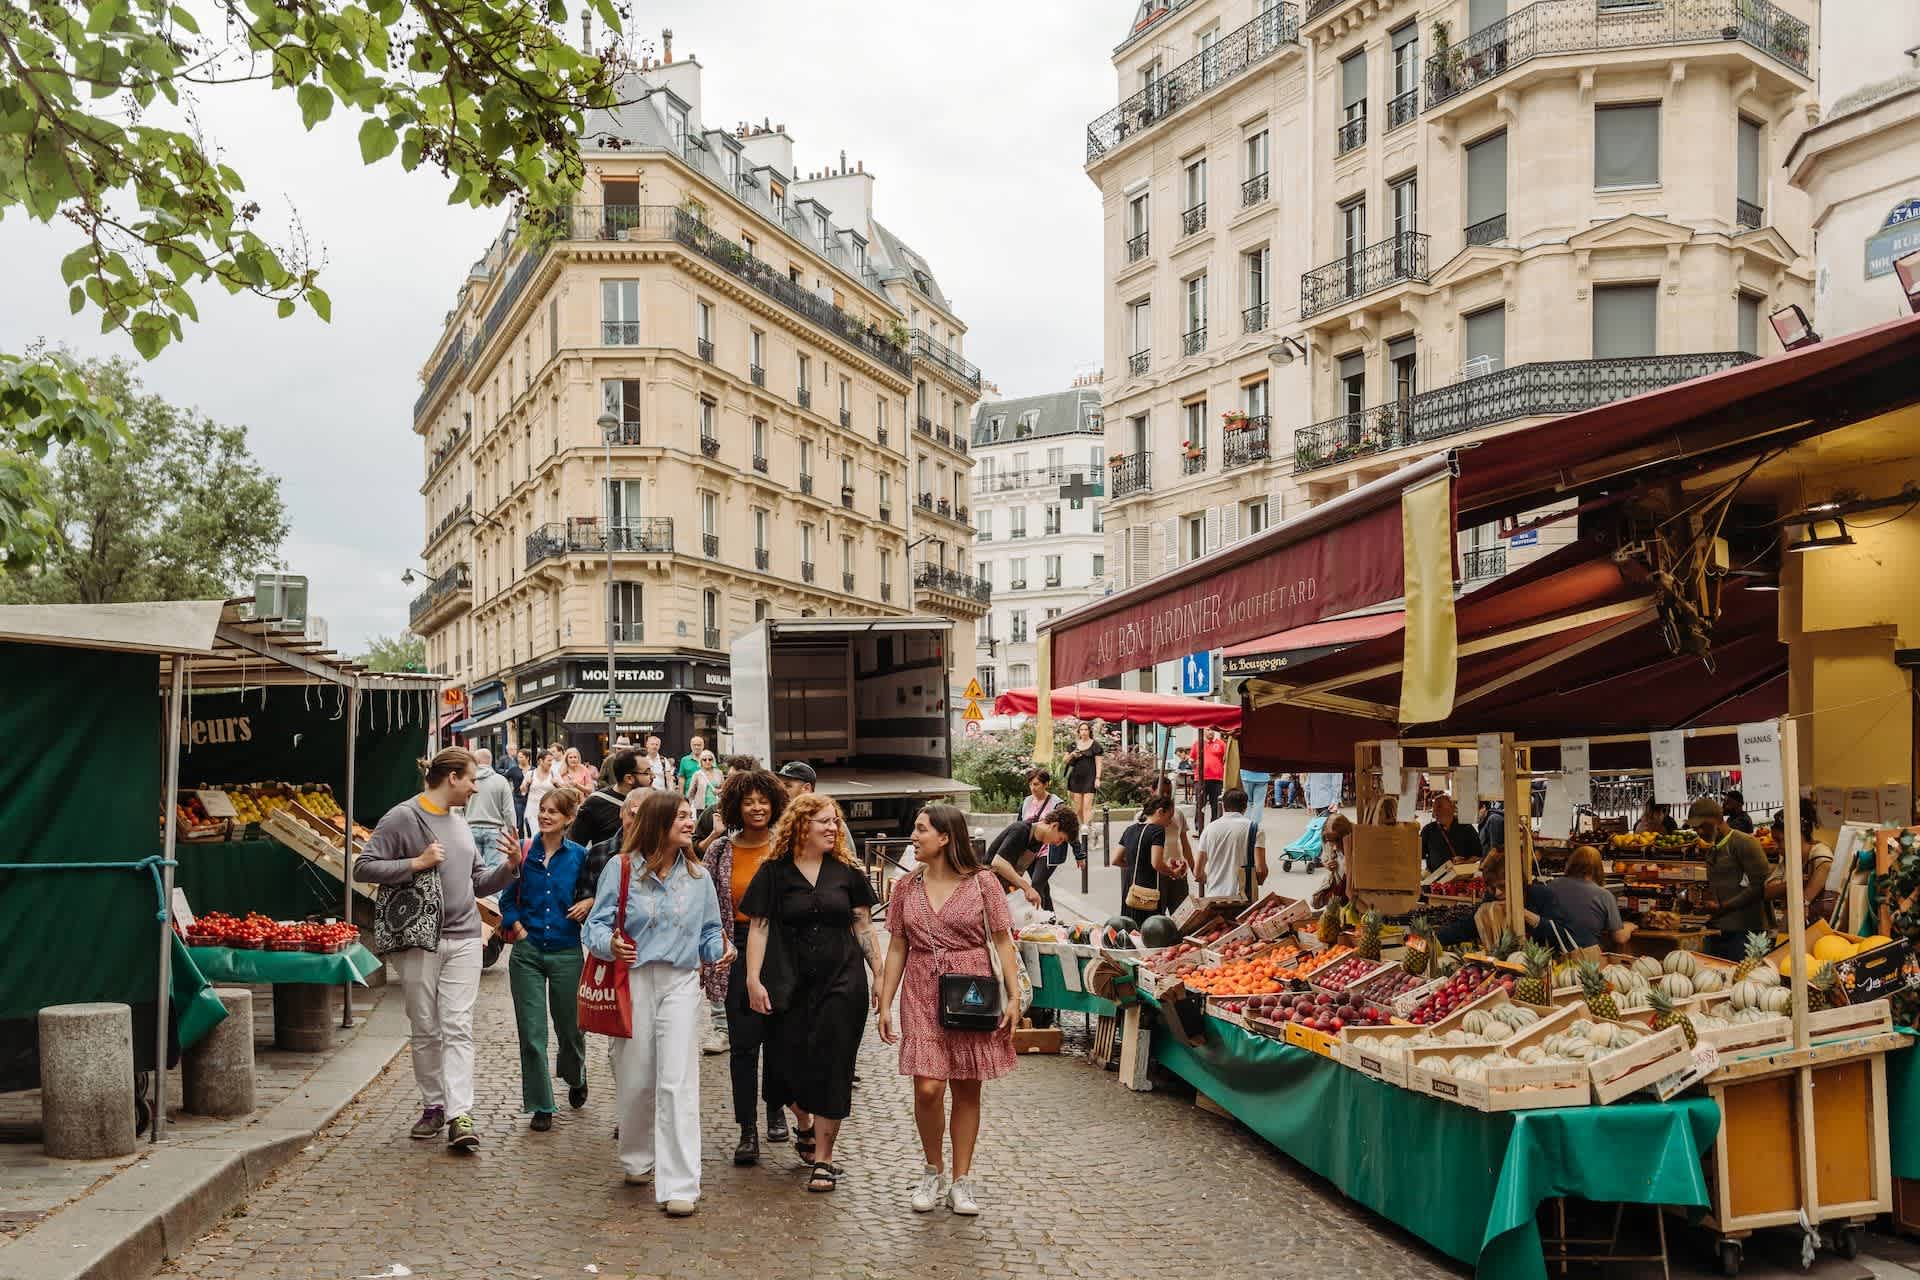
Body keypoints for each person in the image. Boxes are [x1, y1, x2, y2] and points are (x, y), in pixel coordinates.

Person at [356, 748, 523, 1153]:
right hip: (420, 939)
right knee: (425, 1026)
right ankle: (433, 1104)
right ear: (452, 778)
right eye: (471, 780)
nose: (475, 788)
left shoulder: (461, 822)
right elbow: (363, 867)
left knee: (457, 1026)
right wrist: (415, 863)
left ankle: (460, 1114)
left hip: (465, 937)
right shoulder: (402, 817)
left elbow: (477, 881)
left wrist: (510, 868)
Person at [583, 791, 731, 1216]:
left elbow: (710, 930)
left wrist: (720, 949)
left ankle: (681, 1183)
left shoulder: (699, 877)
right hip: (632, 980)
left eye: (690, 815)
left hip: (680, 981)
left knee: (677, 1079)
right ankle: (637, 1158)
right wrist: (611, 944)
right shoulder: (621, 868)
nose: (691, 822)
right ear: (658, 822)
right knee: (635, 1076)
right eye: (682, 816)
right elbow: (594, 927)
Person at [877, 804, 1020, 1216]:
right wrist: (885, 1003)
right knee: (928, 1088)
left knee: (967, 1086)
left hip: (971, 990)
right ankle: (932, 1170)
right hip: (921, 989)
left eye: (921, 829)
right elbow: (898, 947)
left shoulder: (983, 883)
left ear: (945, 837)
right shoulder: (906, 887)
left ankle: (961, 1180)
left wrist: (1014, 996)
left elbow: (1003, 941)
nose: (913, 836)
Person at [742, 793, 882, 1194]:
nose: (833, 828)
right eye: (824, 821)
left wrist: (880, 976)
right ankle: (802, 1121)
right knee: (785, 1065)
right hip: (788, 980)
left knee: (834, 1066)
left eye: (835, 821)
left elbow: (864, 926)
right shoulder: (773, 873)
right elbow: (759, 928)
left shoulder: (847, 872)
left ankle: (824, 1159)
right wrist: (753, 979)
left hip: (843, 981)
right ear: (801, 825)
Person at [703, 769, 790, 1163]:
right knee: (743, 1043)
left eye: (763, 801)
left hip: (781, 949)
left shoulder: (786, 846)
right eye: (748, 801)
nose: (756, 808)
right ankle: (747, 1129)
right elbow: (706, 905)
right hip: (735, 946)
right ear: (735, 807)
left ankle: (776, 1109)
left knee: (779, 1036)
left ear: (775, 804)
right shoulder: (720, 851)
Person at [499, 785, 590, 1130]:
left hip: (567, 952)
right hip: (528, 953)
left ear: (568, 818)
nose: (545, 816)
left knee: (571, 1030)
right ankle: (541, 1104)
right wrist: (518, 928)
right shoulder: (523, 851)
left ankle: (576, 1074)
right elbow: (506, 900)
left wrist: (590, 901)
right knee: (532, 1033)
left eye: (554, 811)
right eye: (543, 810)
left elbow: (597, 893)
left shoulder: (580, 856)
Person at [1691, 796, 1773, 961]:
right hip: (1718, 929)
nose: (1699, 832)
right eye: (1695, 828)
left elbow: (1759, 886)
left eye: (1702, 826)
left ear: (1716, 820)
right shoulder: (1713, 848)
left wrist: (1724, 906)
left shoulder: (1745, 843)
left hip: (1745, 933)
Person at [984, 808, 1077, 912]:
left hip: (1001, 893)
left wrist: (1027, 892)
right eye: (1060, 839)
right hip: (986, 889)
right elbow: (998, 863)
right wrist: (1027, 888)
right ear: (1054, 826)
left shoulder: (1039, 841)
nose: (1058, 844)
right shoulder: (1021, 830)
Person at [1543, 845, 1632, 953]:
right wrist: (1630, 926)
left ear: (1571, 863)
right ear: (1598, 868)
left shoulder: (1551, 886)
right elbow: (1620, 937)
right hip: (1586, 957)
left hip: (1552, 955)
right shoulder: (1604, 895)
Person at [1119, 794, 1182, 926]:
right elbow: (1156, 863)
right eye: (1169, 817)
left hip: (1130, 892)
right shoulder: (1157, 831)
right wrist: (1173, 873)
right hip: (1147, 895)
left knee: (1131, 930)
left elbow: (1116, 860)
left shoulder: (1130, 830)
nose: (1170, 822)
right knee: (1149, 930)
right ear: (1160, 812)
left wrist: (1136, 865)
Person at [1767, 811, 1838, 927]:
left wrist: (1803, 902)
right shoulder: (1788, 857)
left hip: (1820, 925)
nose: (1776, 846)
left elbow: (1825, 866)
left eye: (1779, 840)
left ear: (1797, 836)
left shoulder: (1819, 851)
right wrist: (1794, 882)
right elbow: (1768, 891)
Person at [1195, 787, 1266, 901]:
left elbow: (1198, 873)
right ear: (1245, 807)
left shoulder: (1209, 829)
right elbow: (1261, 870)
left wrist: (1212, 882)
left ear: (1223, 806)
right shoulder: (1254, 829)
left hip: (1214, 897)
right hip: (1243, 898)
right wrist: (1256, 882)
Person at [570, 748, 643, 852]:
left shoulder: (654, 801)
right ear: (629, 778)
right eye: (647, 772)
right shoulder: (596, 803)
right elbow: (574, 845)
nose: (653, 776)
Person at [464, 747, 517, 869]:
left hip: (471, 828)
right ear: (490, 761)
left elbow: (458, 806)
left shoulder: (468, 781)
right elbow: (508, 810)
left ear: (476, 761)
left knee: (472, 868)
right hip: (494, 830)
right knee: (492, 870)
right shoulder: (501, 780)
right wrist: (512, 831)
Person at [1063, 723, 1103, 864]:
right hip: (1075, 778)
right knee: (1078, 809)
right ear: (1078, 731)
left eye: (1086, 729)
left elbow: (1099, 763)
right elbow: (1065, 760)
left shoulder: (1095, 746)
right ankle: (1088, 829)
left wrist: (1098, 778)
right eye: (1082, 729)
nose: (1084, 732)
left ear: (1089, 731)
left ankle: (1086, 833)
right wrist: (1072, 754)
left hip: (1090, 778)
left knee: (1087, 807)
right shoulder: (1073, 745)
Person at [1420, 794, 1483, 872]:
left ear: (1452, 810)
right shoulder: (1428, 830)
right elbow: (1419, 854)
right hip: (1435, 876)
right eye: (1436, 811)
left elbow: (1478, 856)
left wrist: (1465, 862)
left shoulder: (1466, 828)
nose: (1437, 815)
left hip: (1459, 875)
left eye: (1442, 810)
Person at [523, 748, 557, 836]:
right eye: (549, 760)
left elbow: (563, 791)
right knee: (534, 835)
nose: (551, 763)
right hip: (532, 811)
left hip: (548, 811)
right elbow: (523, 791)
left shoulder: (554, 774)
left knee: (546, 835)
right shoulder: (530, 774)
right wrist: (527, 783)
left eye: (552, 761)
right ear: (541, 761)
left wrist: (557, 784)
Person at [1197, 728, 1227, 828]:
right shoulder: (1198, 743)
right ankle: (1198, 827)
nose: (1210, 732)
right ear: (1204, 731)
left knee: (1216, 804)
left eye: (1212, 730)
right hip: (1201, 779)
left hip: (1217, 779)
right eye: (1208, 729)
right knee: (1200, 804)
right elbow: (1192, 759)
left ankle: (1215, 826)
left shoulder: (1221, 744)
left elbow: (1225, 760)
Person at [503, 748, 528, 835]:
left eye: (521, 757)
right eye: (518, 757)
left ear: (527, 758)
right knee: (519, 822)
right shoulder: (514, 770)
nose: (519, 759)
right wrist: (508, 790)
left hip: (530, 799)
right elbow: (503, 778)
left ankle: (531, 840)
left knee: (529, 822)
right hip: (518, 799)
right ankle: (520, 840)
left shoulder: (533, 770)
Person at [679, 734, 708, 801]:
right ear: (691, 746)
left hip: (706, 794)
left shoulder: (709, 759)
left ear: (703, 746)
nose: (696, 747)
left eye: (699, 745)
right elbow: (682, 778)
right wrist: (681, 795)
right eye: (694, 745)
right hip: (690, 795)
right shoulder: (684, 760)